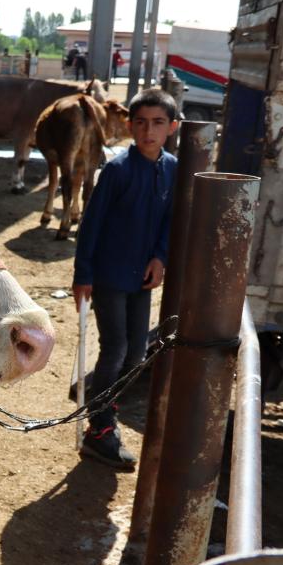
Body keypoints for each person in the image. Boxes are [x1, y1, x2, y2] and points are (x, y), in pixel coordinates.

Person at [72, 88, 181, 469]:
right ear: (130, 126)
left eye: (158, 123)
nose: (148, 131)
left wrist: (160, 257)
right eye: (140, 123)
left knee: (136, 353)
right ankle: (99, 429)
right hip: (108, 274)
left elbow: (170, 221)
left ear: (172, 127)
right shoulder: (117, 170)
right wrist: (82, 275)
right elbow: (91, 225)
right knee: (115, 348)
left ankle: (105, 409)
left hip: (142, 277)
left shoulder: (172, 169)